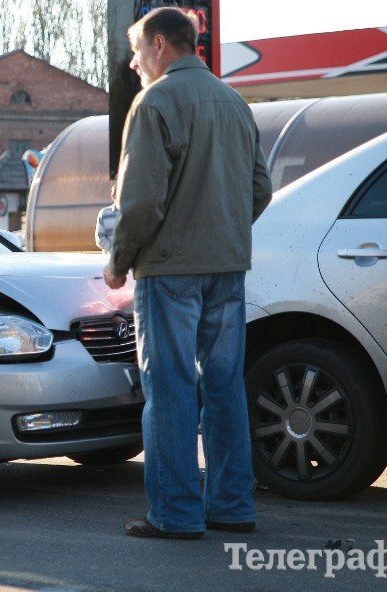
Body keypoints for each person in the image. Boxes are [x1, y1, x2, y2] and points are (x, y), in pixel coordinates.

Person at [103, 8, 272, 539]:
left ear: (158, 45)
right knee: (224, 389)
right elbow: (260, 189)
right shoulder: (234, 101)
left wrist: (117, 263)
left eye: (135, 52)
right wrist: (219, 229)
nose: (132, 65)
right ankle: (232, 507)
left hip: (169, 269)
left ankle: (175, 514)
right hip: (226, 267)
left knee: (171, 391)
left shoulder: (154, 101)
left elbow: (141, 202)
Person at [95, 185, 118, 254]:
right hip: (109, 259)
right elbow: (100, 238)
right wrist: (114, 251)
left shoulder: (132, 213)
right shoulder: (104, 214)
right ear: (113, 196)